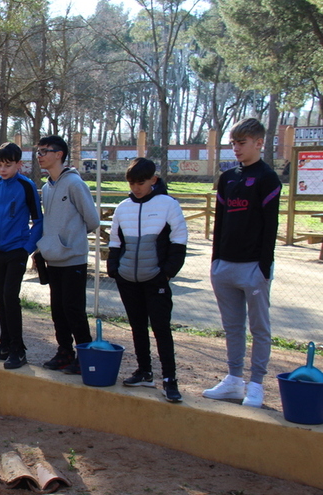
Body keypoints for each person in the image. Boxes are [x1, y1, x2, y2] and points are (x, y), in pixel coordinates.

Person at [202, 118, 281, 408]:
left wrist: (263, 267)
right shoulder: (227, 178)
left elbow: (270, 225)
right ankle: (234, 380)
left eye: (241, 143)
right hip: (225, 266)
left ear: (259, 143)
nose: (236, 148)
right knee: (233, 327)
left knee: (259, 328)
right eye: (233, 143)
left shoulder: (267, 178)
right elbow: (220, 222)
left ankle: (256, 384)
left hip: (253, 267)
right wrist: (215, 262)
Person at [107, 158, 188, 402]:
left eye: (141, 183)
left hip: (156, 280)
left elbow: (179, 240)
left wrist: (167, 272)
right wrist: (115, 269)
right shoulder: (122, 207)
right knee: (137, 327)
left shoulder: (168, 205)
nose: (136, 188)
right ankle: (144, 371)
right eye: (131, 183)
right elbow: (114, 241)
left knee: (161, 329)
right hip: (128, 280)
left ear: (153, 180)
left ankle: (169, 380)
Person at [35, 135, 101, 374]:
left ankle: (85, 355)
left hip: (73, 258)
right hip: (53, 259)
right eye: (38, 151)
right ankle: (64, 352)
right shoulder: (46, 187)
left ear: (59, 154)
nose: (40, 156)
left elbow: (92, 220)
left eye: (44, 151)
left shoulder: (74, 184)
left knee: (73, 309)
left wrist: (69, 239)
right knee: (58, 310)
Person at [0, 142, 43, 369]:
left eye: (8, 165)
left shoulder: (27, 186)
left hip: (16, 251)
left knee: (10, 297)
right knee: (0, 299)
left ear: (19, 164)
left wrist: (26, 248)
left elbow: (38, 221)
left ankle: (19, 349)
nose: (3, 169)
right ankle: (5, 344)